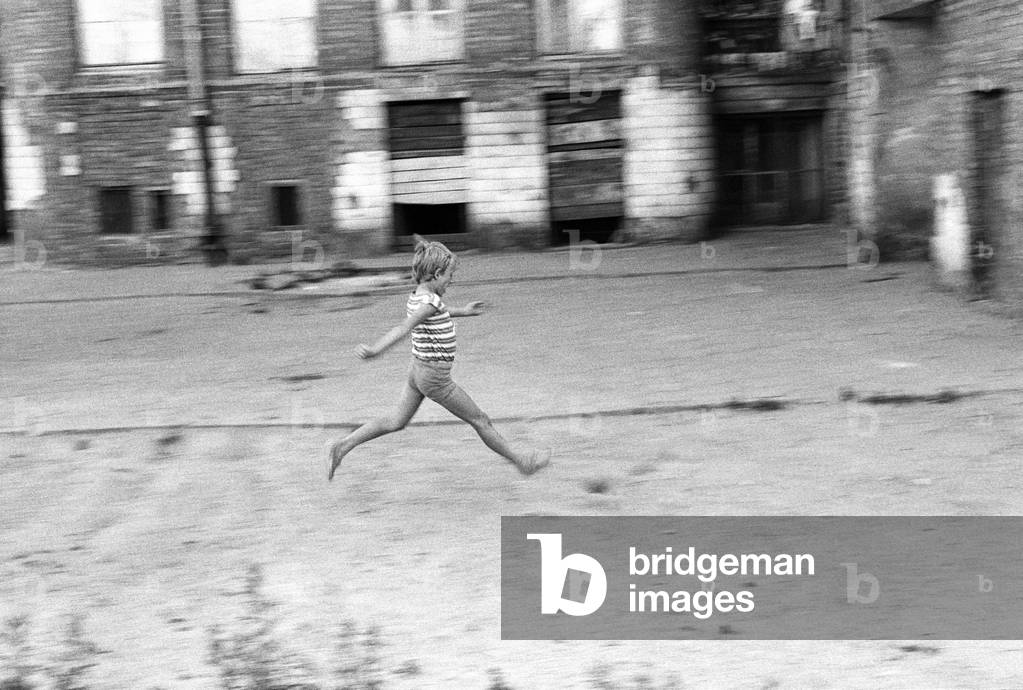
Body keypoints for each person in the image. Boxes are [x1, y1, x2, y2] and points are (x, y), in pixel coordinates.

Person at [328, 238, 550, 480]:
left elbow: (437, 311)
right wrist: (375, 350)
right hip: (435, 378)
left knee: (395, 421)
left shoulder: (419, 297)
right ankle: (522, 462)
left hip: (418, 371)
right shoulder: (430, 302)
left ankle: (342, 445)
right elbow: (404, 328)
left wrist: (464, 310)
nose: (451, 281)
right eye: (449, 276)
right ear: (436, 274)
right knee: (480, 420)